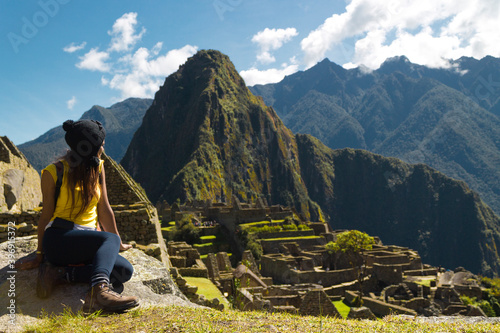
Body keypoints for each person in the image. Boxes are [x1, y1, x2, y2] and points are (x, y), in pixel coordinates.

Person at [17, 119, 139, 314]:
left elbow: (104, 207)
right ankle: (99, 291)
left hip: (88, 242)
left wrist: (118, 243)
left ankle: (60, 274)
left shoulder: (98, 168)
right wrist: (39, 254)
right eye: (101, 145)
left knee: (124, 271)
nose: (103, 148)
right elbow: (45, 216)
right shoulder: (53, 173)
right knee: (109, 240)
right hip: (60, 239)